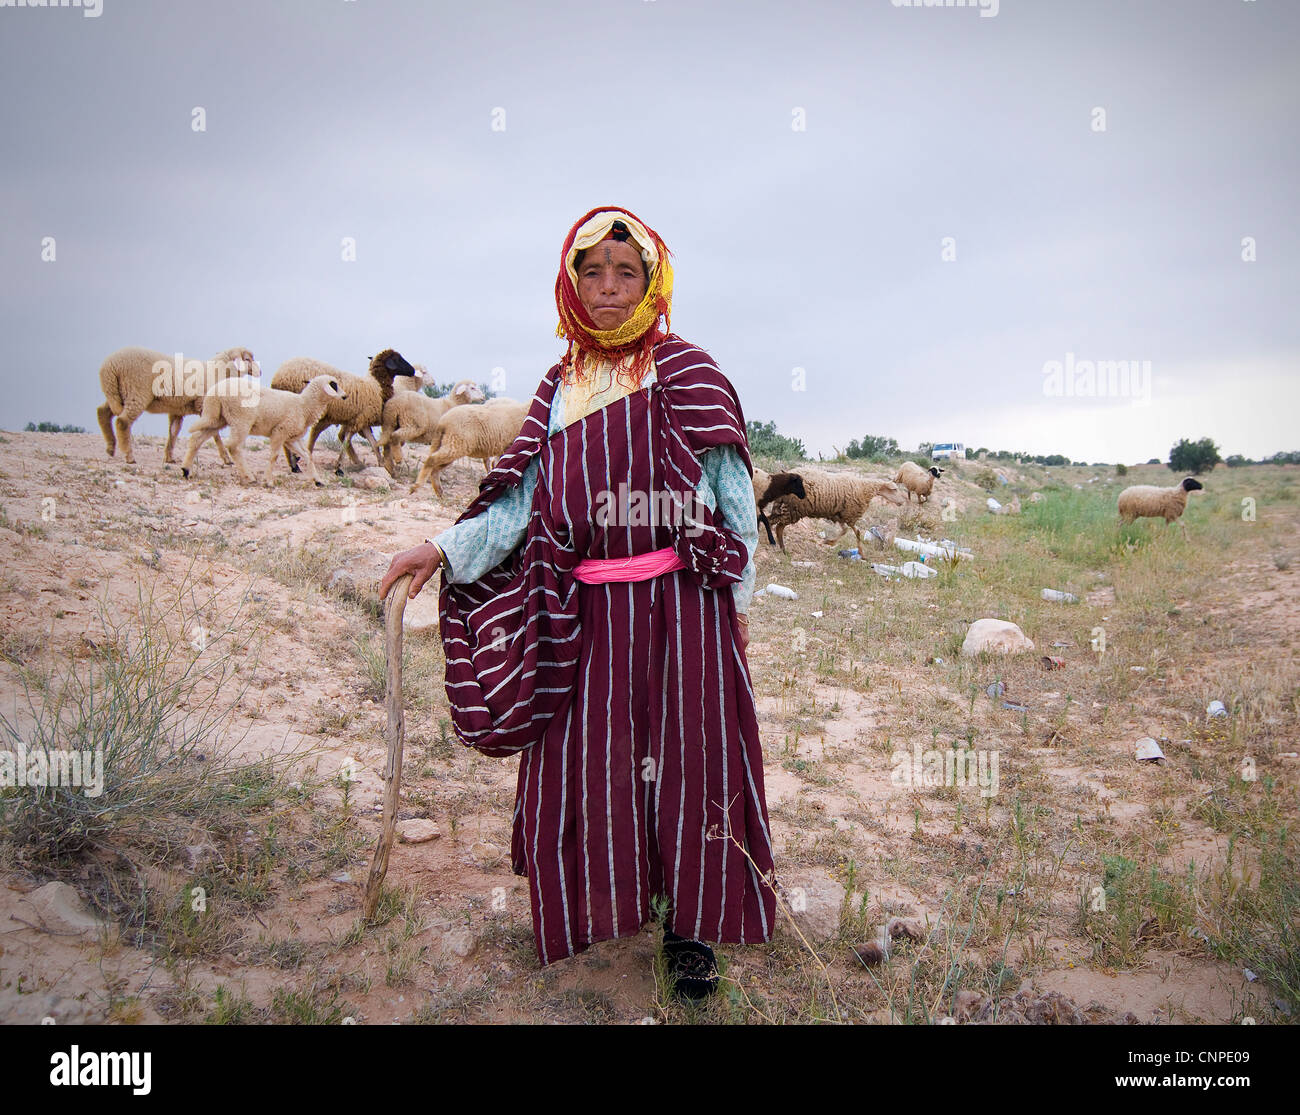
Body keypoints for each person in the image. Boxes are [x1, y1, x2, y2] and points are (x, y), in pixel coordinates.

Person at [380, 206, 776, 1002]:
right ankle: (606, 902)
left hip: (682, 609)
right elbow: (517, 505)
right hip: (585, 618)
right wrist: (442, 549)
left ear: (652, 282)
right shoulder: (559, 390)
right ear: (570, 281)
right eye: (591, 272)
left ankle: (690, 930)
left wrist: (735, 602)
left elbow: (734, 504)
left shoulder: (689, 371)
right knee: (592, 766)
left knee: (692, 764)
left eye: (625, 272)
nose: (607, 288)